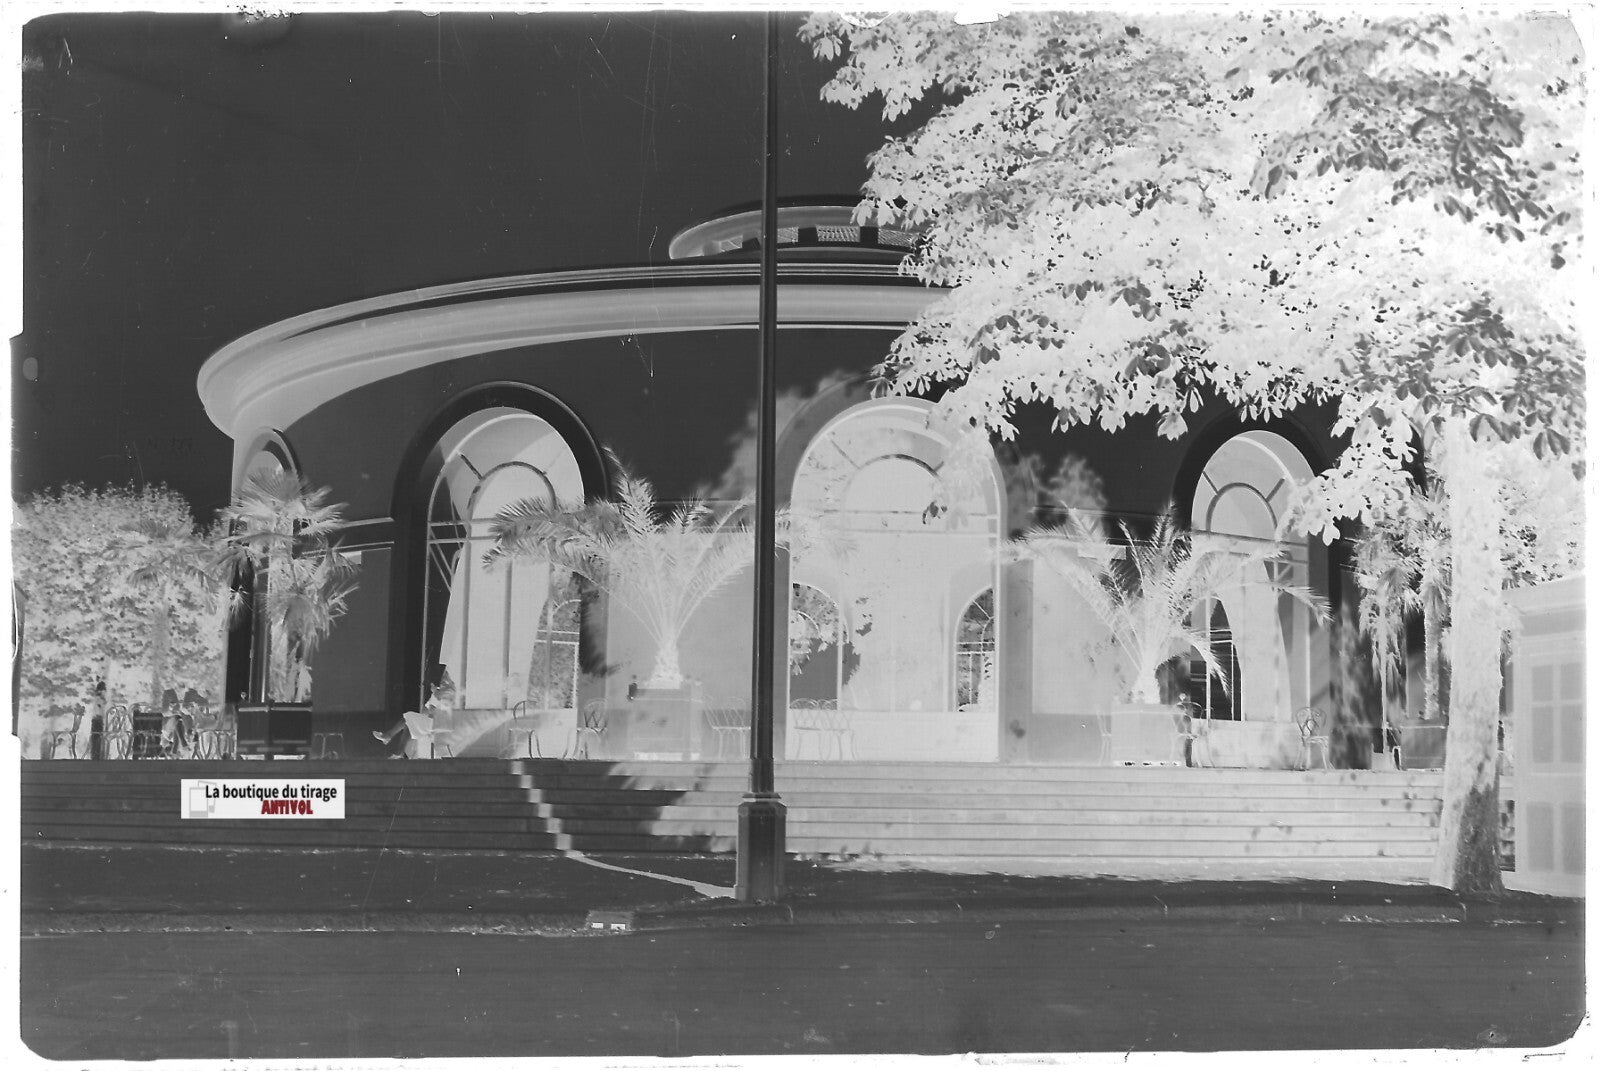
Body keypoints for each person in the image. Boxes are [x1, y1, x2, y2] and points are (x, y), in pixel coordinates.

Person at [373, 670, 455, 758]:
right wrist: (433, 697)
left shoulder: (449, 691)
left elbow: (438, 706)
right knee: (409, 721)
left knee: (410, 718)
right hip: (435, 722)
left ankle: (392, 741)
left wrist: (435, 692)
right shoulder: (438, 692)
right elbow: (425, 711)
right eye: (441, 681)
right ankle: (396, 747)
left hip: (443, 723)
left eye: (444, 680)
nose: (442, 682)